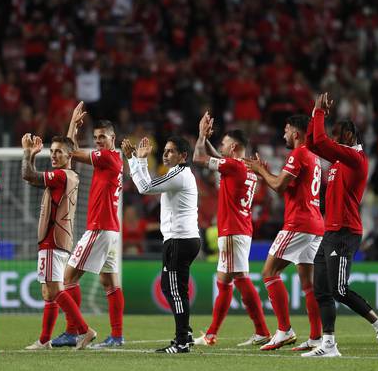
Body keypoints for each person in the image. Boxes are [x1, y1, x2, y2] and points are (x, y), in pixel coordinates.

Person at [302, 93, 378, 358]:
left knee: (339, 289)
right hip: (329, 231)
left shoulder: (355, 159)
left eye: (338, 135)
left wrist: (320, 114)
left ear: (350, 137)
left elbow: (319, 140)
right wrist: (314, 113)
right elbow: (312, 143)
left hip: (346, 232)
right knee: (321, 289)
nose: (333, 139)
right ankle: (329, 344)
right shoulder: (339, 160)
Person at [245, 114, 324, 352]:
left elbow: (278, 185)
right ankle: (316, 337)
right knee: (308, 283)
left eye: (287, 130)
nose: (284, 135)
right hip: (316, 223)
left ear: (296, 133)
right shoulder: (314, 157)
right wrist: (267, 175)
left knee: (269, 272)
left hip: (299, 223)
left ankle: (284, 330)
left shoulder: (298, 153)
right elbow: (287, 186)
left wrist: (261, 171)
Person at [191, 112, 271, 347]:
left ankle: (263, 330)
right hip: (240, 228)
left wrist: (200, 135)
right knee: (224, 280)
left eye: (224, 143)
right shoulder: (245, 166)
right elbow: (216, 157)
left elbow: (198, 157)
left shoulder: (233, 166)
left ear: (234, 146)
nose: (220, 146)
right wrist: (205, 138)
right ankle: (211, 334)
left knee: (240, 278)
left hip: (233, 230)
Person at [50, 104, 125, 349]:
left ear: (113, 139)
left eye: (102, 137)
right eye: (95, 138)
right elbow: (73, 149)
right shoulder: (111, 160)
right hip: (110, 229)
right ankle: (116, 336)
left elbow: (70, 152)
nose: (98, 141)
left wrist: (72, 123)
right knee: (110, 283)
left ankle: (74, 331)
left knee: (67, 278)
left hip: (100, 228)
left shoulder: (107, 157)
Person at [122, 136, 200, 354]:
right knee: (172, 288)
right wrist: (134, 159)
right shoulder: (181, 175)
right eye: (165, 151)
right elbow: (148, 185)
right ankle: (186, 333)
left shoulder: (179, 174)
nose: (166, 154)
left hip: (179, 240)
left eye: (171, 151)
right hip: (183, 239)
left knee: (174, 291)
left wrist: (137, 160)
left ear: (183, 156)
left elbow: (145, 187)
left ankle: (182, 341)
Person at [20, 134, 97, 350]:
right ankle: (45, 339)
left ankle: (84, 330)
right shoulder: (69, 176)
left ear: (69, 155)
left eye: (58, 152)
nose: (53, 155)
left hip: (53, 239)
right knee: (48, 292)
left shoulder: (61, 176)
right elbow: (34, 179)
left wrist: (27, 153)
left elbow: (28, 175)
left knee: (54, 290)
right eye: (51, 151)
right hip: (57, 238)